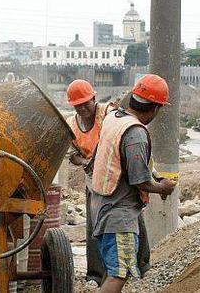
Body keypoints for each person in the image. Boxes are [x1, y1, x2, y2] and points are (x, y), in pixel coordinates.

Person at [89, 74, 177, 293]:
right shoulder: (136, 133)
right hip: (119, 215)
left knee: (113, 269)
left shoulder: (115, 118)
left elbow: (126, 162)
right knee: (120, 274)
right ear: (156, 108)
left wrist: (154, 175)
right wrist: (162, 188)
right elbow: (139, 180)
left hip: (102, 205)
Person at [65, 79, 116, 284]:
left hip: (116, 177)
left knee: (128, 219)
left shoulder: (108, 114)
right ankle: (95, 274)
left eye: (86, 103)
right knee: (95, 225)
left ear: (94, 98)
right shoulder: (71, 125)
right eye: (78, 105)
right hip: (92, 179)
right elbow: (72, 156)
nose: (83, 108)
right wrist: (87, 161)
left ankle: (138, 265)